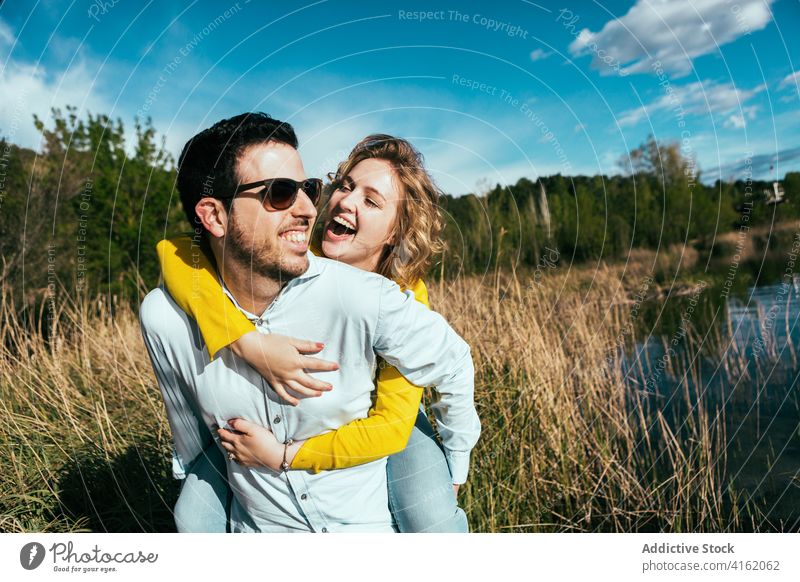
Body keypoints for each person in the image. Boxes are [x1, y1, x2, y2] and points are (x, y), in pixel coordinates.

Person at [140, 112, 480, 532]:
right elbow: (178, 255)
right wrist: (245, 341)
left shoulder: (400, 296)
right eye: (343, 186)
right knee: (192, 515)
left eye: (372, 202)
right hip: (272, 430)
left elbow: (391, 427)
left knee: (431, 514)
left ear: (395, 232)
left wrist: (283, 455)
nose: (345, 202)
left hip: (383, 425)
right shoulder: (297, 255)